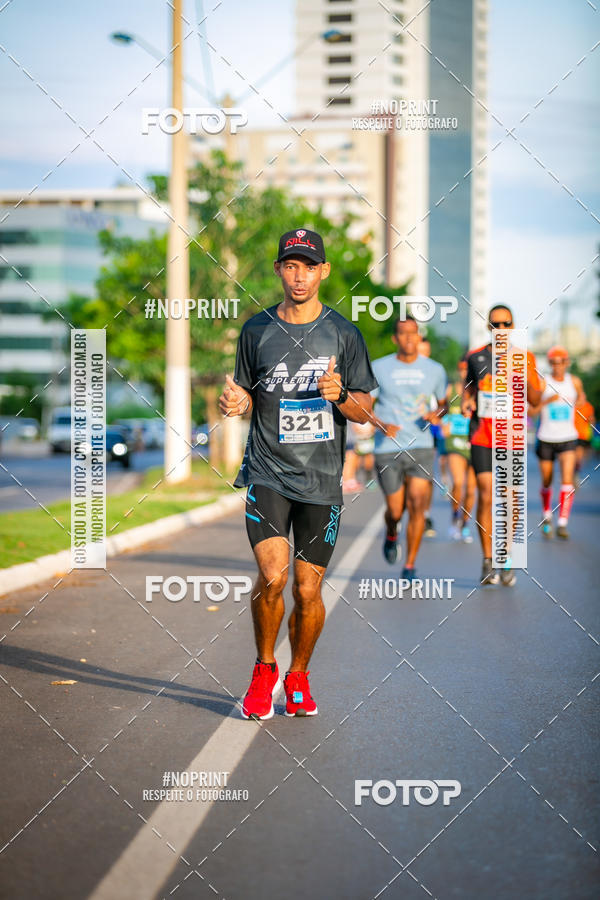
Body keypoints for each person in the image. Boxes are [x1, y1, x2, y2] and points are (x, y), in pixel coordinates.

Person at [219, 228, 377, 720]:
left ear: (323, 271)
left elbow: (365, 409)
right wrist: (234, 402)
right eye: (290, 265)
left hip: (322, 479)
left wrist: (340, 396)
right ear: (278, 270)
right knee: (272, 576)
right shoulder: (256, 330)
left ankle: (299, 676)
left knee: (308, 590)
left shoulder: (345, 334)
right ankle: (264, 670)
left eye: (309, 266)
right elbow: (241, 395)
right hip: (267, 471)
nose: (299, 274)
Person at [462, 305, 544, 586]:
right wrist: (467, 402)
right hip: (483, 436)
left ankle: (504, 554)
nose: (500, 329)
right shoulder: (476, 357)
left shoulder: (525, 358)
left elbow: (534, 400)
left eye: (506, 324)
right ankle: (487, 560)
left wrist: (526, 379)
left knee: (510, 501)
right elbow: (468, 391)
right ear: (489, 327)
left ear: (512, 327)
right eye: (495, 324)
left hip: (512, 439)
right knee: (486, 494)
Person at [371, 316, 447, 580]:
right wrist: (381, 425)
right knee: (395, 510)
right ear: (395, 338)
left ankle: (410, 564)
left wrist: (437, 413)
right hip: (387, 447)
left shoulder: (434, 369)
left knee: (416, 504)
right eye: (403, 334)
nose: (409, 338)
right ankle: (392, 532)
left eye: (413, 333)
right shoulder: (379, 368)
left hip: (422, 445)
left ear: (419, 336)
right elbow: (364, 405)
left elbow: (444, 402)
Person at [530, 346, 584, 539]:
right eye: (553, 362)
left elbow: (582, 399)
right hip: (546, 437)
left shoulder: (574, 382)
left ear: (567, 363)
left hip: (568, 437)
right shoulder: (544, 383)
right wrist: (547, 402)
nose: (557, 366)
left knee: (567, 479)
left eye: (561, 362)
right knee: (547, 479)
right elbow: (531, 411)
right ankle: (547, 514)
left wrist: (578, 404)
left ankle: (562, 522)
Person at [443, 356, 476, 542]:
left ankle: (465, 523)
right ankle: (455, 515)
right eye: (462, 368)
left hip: (474, 442)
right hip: (455, 441)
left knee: (471, 490)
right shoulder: (451, 390)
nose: (465, 372)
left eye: (468, 368)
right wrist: (443, 422)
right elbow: (441, 410)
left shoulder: (479, 391)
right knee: (458, 482)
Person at [342, 420, 376, 493]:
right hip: (356, 440)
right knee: (354, 460)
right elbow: (354, 426)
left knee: (368, 459)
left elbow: (373, 427)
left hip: (366, 440)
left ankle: (368, 479)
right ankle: (348, 480)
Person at [574, 394, 596, 481]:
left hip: (583, 434)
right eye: (581, 397)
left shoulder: (588, 406)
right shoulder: (572, 406)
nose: (583, 399)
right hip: (571, 434)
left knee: (579, 456)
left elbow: (591, 419)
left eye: (584, 397)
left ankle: (576, 471)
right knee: (572, 455)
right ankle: (573, 470)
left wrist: (592, 424)